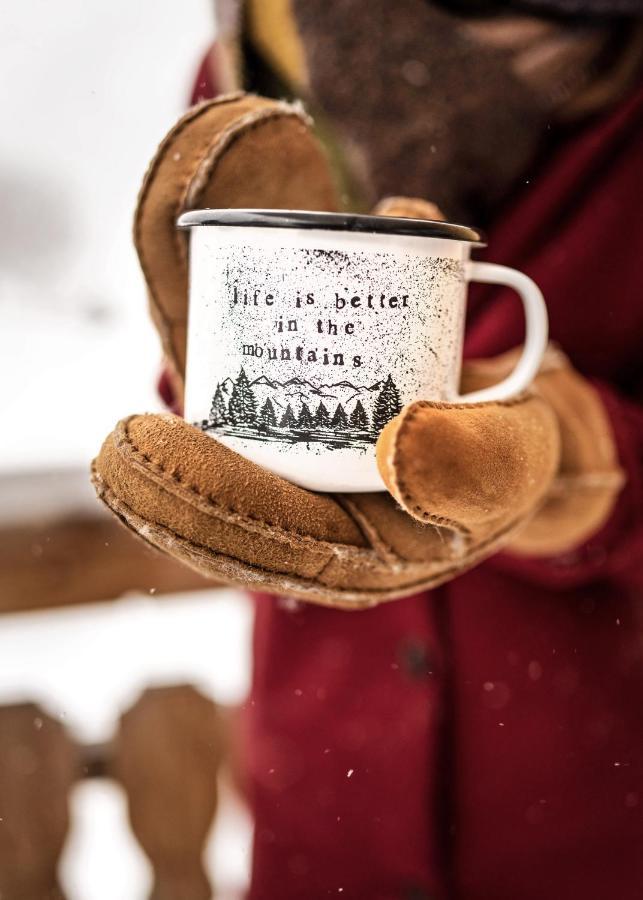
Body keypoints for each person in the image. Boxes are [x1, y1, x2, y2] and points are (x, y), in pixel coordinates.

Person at [94, 1, 643, 897]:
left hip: (592, 826)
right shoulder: (258, 76)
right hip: (325, 814)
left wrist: (573, 467)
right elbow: (208, 349)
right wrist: (232, 393)